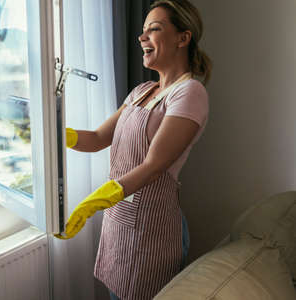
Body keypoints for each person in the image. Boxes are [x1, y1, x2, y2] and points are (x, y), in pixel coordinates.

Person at [56, 0, 211, 299]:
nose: (142, 38)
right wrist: (58, 134)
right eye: (142, 31)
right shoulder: (141, 91)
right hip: (120, 221)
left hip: (153, 231)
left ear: (183, 37)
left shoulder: (190, 93)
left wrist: (94, 202)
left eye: (154, 29)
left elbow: (154, 165)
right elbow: (100, 137)